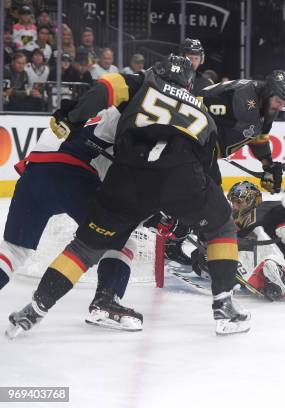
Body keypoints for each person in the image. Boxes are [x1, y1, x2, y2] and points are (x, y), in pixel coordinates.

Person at [6, 55, 250, 338]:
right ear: (190, 83)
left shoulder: (142, 82)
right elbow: (208, 171)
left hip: (119, 176)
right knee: (221, 227)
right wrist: (197, 212)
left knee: (85, 247)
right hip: (180, 176)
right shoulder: (203, 110)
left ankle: (35, 309)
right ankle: (223, 307)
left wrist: (70, 116)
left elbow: (104, 89)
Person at [0, 107, 143, 331]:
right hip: (73, 177)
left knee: (13, 251)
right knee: (121, 240)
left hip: (33, 173)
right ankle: (106, 302)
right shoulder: (128, 120)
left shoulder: (87, 109)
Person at [162, 69, 285, 266]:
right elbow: (196, 107)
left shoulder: (268, 107)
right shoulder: (240, 98)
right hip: (191, 146)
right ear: (268, 92)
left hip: (204, 151)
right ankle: (198, 246)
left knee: (207, 198)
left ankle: (181, 240)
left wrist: (268, 165)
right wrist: (203, 150)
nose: (280, 107)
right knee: (209, 198)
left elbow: (259, 137)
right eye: (278, 101)